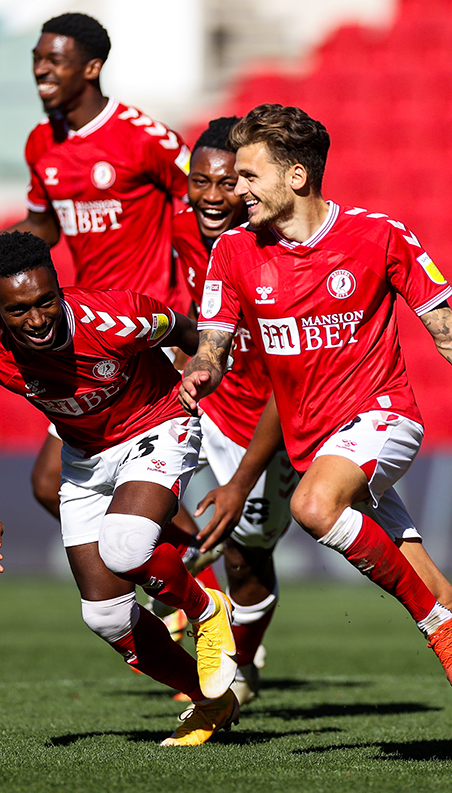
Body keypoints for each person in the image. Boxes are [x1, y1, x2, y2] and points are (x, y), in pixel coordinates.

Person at [180, 104, 452, 766]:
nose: (236, 191)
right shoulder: (232, 252)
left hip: (383, 418)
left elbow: (449, 331)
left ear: (295, 176)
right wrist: (203, 368)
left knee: (312, 507)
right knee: (438, 592)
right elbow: (213, 341)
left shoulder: (379, 236)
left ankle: (437, 632)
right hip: (320, 448)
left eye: (248, 177)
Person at [0, 231, 236, 747]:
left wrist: (205, 369)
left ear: (59, 287)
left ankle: (206, 610)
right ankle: (210, 700)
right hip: (83, 455)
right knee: (104, 615)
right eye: (18, 311)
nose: (36, 320)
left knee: (126, 547)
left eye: (45, 302)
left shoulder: (116, 317)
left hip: (158, 425)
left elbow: (187, 330)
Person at [0, 12, 195, 531]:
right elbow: (42, 228)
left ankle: (193, 580)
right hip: (78, 323)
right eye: (36, 60)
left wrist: (197, 311)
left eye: (55, 60)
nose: (40, 71)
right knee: (52, 484)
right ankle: (190, 578)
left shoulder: (146, 139)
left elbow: (207, 203)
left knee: (69, 481)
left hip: (144, 325)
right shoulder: (41, 144)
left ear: (92, 67)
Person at [168, 117, 296, 705]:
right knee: (120, 498)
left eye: (232, 182)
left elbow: (288, 381)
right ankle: (192, 595)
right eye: (203, 183)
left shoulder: (272, 251)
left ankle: (241, 665)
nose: (215, 197)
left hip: (273, 421)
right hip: (210, 404)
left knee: (249, 560)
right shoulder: (178, 231)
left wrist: (242, 481)